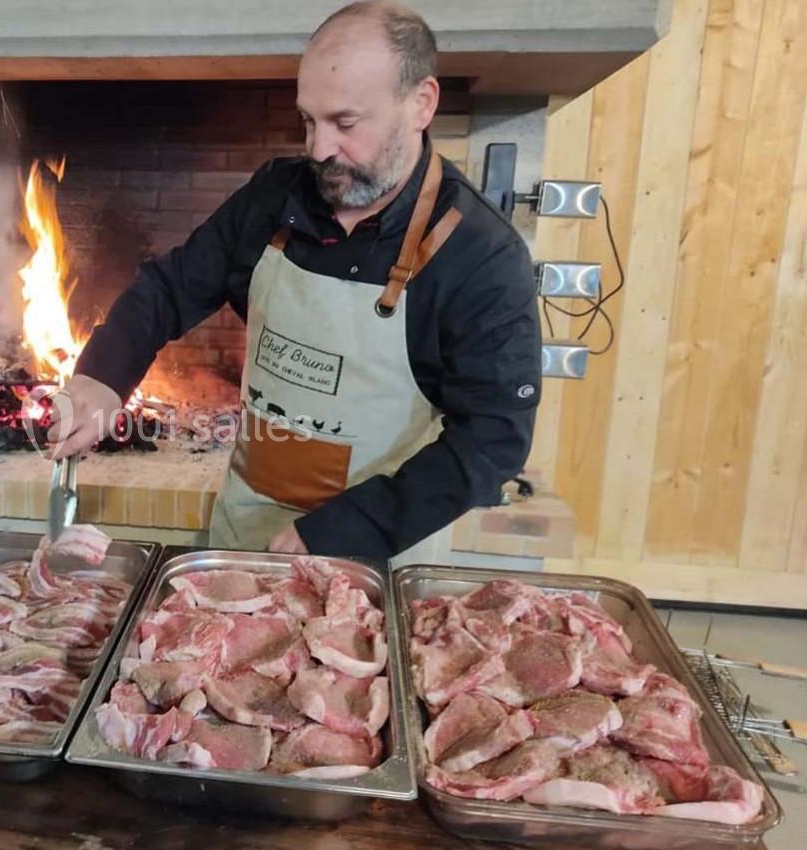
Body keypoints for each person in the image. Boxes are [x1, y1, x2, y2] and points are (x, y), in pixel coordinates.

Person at [48, 1, 541, 563]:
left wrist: (345, 531)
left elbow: (492, 440)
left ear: (421, 103)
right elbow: (168, 289)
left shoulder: (481, 256)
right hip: (244, 537)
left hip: (370, 559)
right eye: (309, 120)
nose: (319, 148)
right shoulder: (275, 195)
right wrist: (102, 375)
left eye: (345, 123)